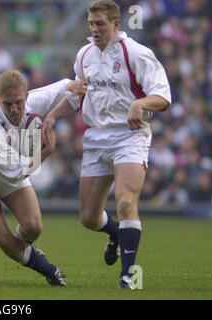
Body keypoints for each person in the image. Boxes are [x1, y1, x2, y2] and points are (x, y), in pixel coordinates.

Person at [42, 0, 171, 289]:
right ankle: (115, 233)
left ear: (116, 24)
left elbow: (163, 96)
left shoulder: (136, 54)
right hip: (96, 138)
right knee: (88, 218)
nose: (94, 29)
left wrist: (140, 103)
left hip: (130, 136)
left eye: (100, 23)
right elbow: (77, 95)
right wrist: (51, 115)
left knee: (126, 201)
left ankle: (128, 276)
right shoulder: (85, 55)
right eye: (91, 24)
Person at [0, 69, 86, 287]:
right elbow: (14, 174)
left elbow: (61, 87)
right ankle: (50, 271)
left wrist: (74, 86)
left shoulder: (34, 100)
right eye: (7, 104)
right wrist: (47, 151)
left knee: (33, 227)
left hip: (9, 164)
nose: (14, 109)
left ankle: (24, 248)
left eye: (18, 102)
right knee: (3, 239)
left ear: (26, 96)